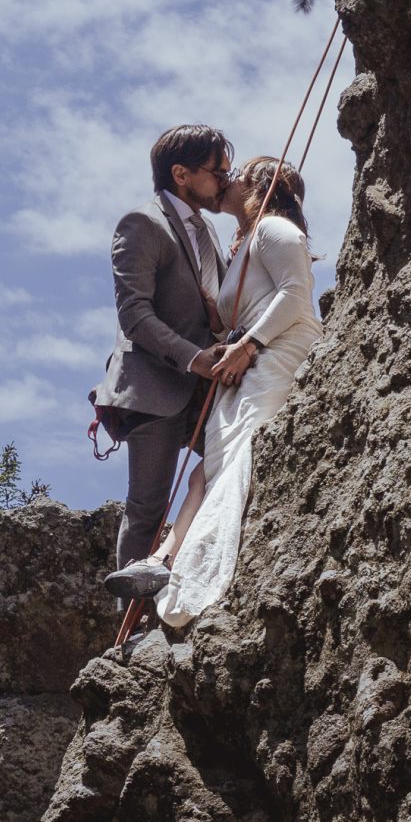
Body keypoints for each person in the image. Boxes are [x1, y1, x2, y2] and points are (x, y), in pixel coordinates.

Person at [113, 156, 325, 625]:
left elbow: (295, 294)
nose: (226, 180)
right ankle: (165, 561)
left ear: (257, 186)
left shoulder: (274, 229)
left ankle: (187, 571)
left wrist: (249, 344)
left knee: (236, 452)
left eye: (238, 174)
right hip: (250, 355)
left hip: (278, 350)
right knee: (204, 470)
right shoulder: (242, 243)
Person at [94, 125, 234, 596]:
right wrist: (194, 359)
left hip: (206, 389)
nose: (225, 182)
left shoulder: (209, 230)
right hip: (155, 387)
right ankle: (129, 629)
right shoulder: (141, 224)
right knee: (146, 507)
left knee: (229, 466)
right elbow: (134, 315)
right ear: (181, 174)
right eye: (217, 173)